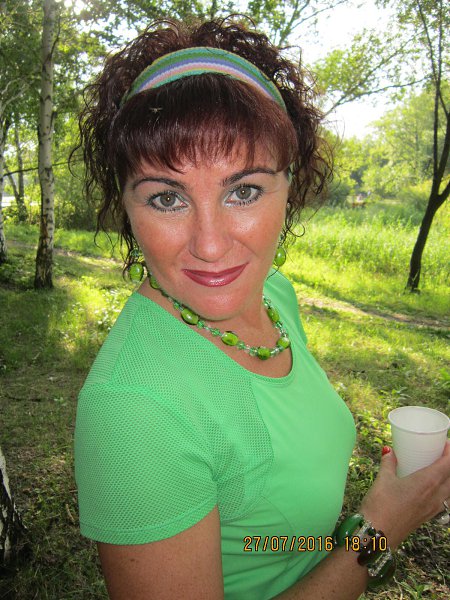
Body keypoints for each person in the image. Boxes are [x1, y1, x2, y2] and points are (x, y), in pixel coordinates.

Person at [74, 17, 450, 600]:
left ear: (289, 187)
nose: (210, 245)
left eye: (243, 191)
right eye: (166, 198)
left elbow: (273, 537)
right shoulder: (134, 408)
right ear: (125, 205)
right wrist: (380, 531)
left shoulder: (271, 293)